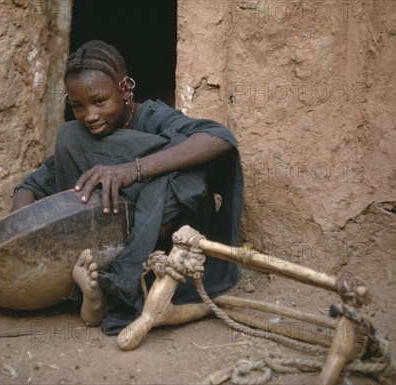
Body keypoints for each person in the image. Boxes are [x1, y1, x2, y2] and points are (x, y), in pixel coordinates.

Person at [12, 40, 243, 335]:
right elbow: (31, 185)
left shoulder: (151, 117)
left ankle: (114, 289)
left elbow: (219, 138)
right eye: (78, 106)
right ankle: (96, 288)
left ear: (124, 89)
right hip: (112, 242)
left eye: (100, 101)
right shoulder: (82, 138)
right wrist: (21, 231)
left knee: (176, 165)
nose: (89, 115)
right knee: (68, 138)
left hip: (165, 236)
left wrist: (132, 170)